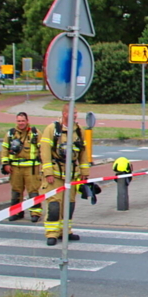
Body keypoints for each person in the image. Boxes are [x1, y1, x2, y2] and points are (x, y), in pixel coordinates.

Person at [39, 105, 91, 246]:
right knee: (54, 206)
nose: (75, 115)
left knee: (69, 205)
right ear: (64, 113)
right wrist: (48, 173)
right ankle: (52, 234)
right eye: (72, 113)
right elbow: (45, 153)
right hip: (55, 176)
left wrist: (85, 173)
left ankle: (65, 231)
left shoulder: (78, 131)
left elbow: (83, 154)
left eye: (76, 113)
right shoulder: (52, 129)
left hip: (72, 176)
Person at [1, 112, 42, 223]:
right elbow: (5, 149)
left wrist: (44, 165)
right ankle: (16, 212)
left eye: (23, 121)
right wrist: (5, 164)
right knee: (16, 191)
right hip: (15, 168)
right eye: (19, 121)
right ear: (16, 121)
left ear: (27, 121)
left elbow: (42, 149)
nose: (21, 123)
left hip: (31, 168)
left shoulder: (35, 133)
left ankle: (35, 213)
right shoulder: (10, 134)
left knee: (33, 190)